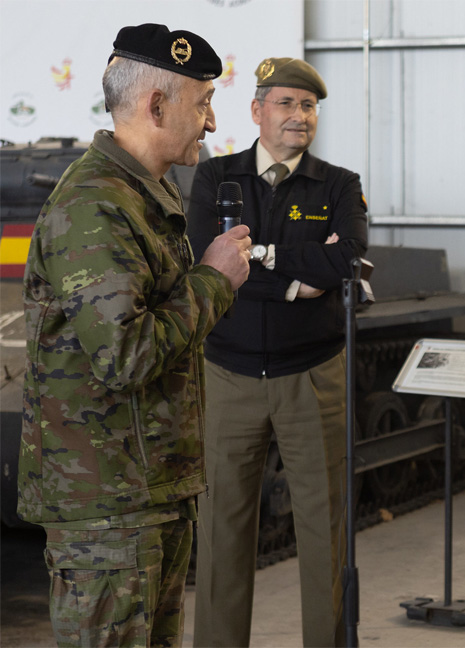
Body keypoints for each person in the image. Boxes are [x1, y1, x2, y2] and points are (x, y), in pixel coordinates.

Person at [18, 23, 252, 647]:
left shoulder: (142, 196)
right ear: (155, 105)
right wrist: (215, 280)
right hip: (106, 507)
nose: (209, 121)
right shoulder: (96, 204)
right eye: (202, 101)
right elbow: (124, 353)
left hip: (145, 492)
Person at [187, 57, 368, 647]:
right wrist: (295, 274)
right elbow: (202, 257)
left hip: (312, 374)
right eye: (286, 103)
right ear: (258, 110)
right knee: (221, 533)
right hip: (228, 373)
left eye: (309, 106)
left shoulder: (338, 184)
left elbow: (346, 263)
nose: (299, 116)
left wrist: (257, 257)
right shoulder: (217, 179)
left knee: (326, 532)